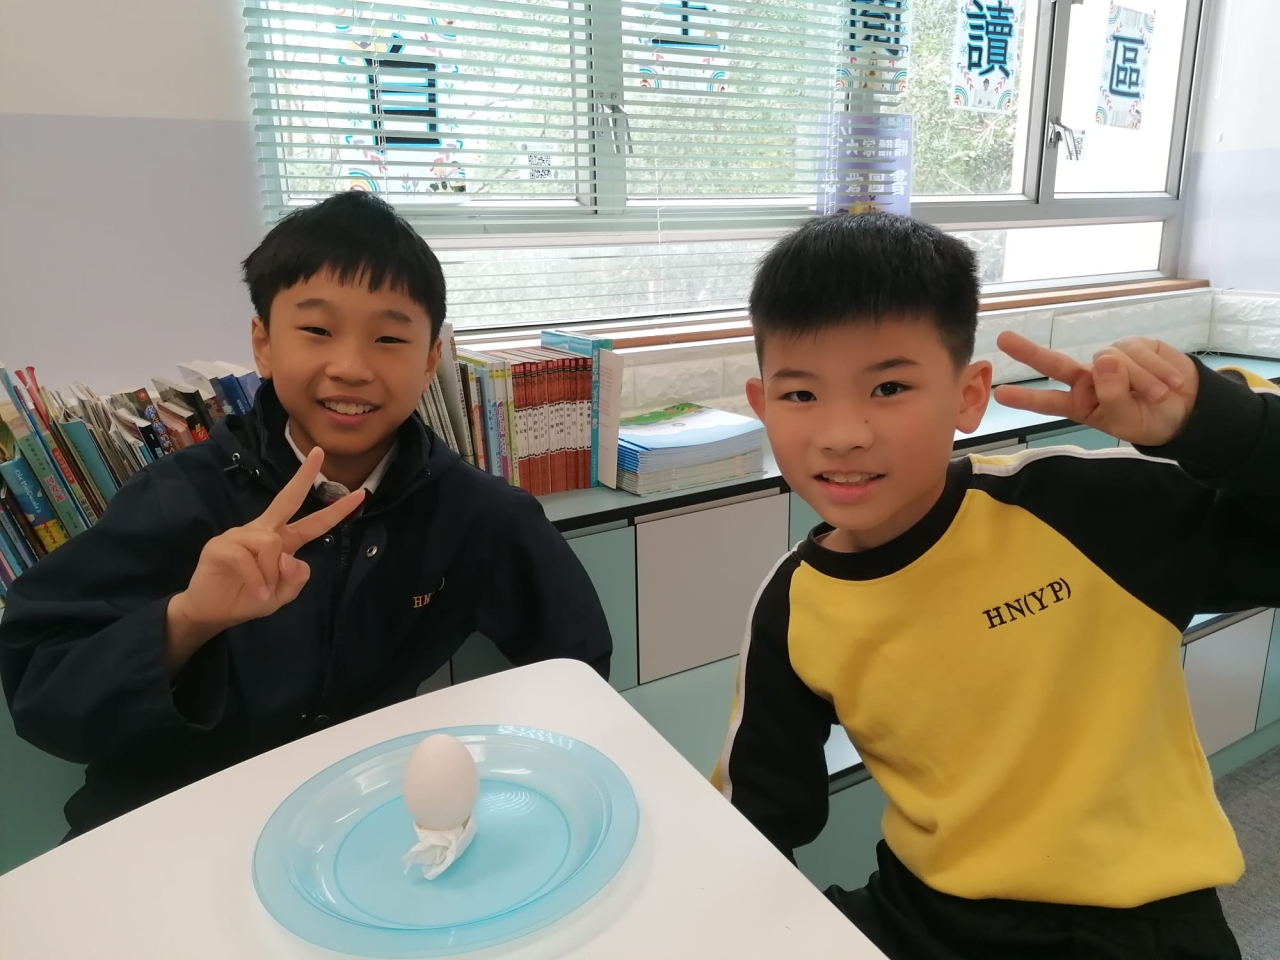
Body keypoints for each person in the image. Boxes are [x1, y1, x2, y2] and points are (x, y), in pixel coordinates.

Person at [714, 211, 1277, 959]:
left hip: (1140, 928)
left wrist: (1218, 426)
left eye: (888, 386)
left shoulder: (1081, 508)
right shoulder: (795, 603)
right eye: (800, 396)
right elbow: (751, 824)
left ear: (969, 393)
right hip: (928, 921)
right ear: (762, 406)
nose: (842, 433)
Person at [0, 192, 611, 837]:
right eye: (317, 331)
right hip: (168, 825)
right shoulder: (180, 495)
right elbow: (44, 697)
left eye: (389, 338)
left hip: (362, 821)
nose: (350, 368)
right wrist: (186, 621)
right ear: (263, 344)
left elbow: (577, 670)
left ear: (430, 359)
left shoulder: (476, 513)